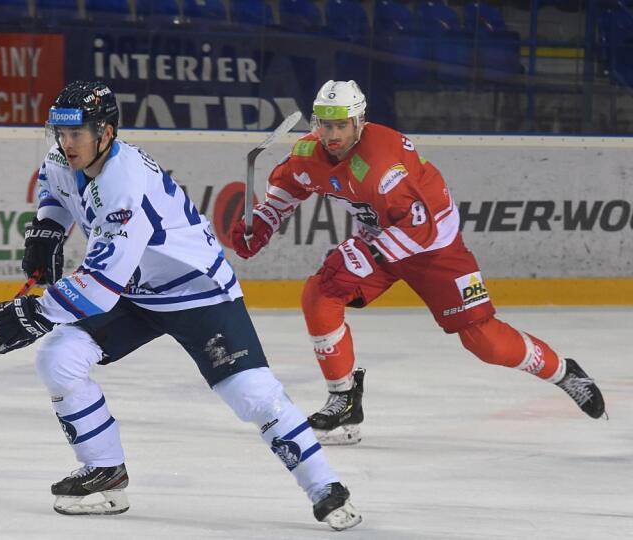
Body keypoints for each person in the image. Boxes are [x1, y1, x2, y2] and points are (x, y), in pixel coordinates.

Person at [0, 80, 362, 530]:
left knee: (252, 396)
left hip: (195, 290)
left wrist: (37, 313)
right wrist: (47, 227)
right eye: (60, 134)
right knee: (60, 359)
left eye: (77, 134)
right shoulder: (64, 157)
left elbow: (101, 283)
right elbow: (55, 190)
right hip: (136, 290)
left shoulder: (124, 183)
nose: (66, 144)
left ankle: (324, 487)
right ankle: (105, 472)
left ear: (106, 133)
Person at [230, 80, 607, 446]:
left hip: (435, 247)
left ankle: (563, 372)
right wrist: (263, 219)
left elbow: (420, 226)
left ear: (359, 122)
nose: (331, 135)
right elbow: (292, 184)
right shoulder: (309, 153)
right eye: (325, 124)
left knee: (484, 341)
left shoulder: (382, 161)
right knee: (320, 294)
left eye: (341, 125)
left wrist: (370, 253)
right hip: (380, 235)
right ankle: (344, 402)